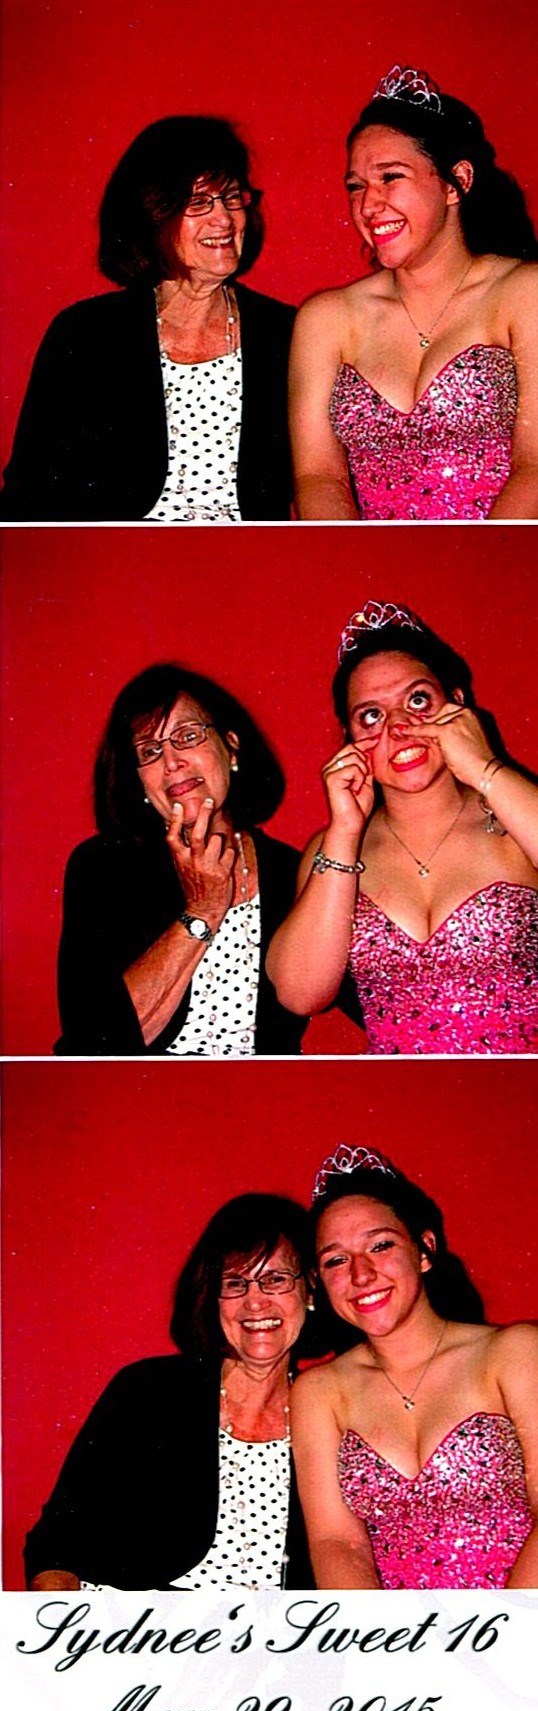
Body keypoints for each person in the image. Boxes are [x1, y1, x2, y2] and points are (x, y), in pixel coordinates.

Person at [266, 600, 538, 1054]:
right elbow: (300, 994)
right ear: (350, 740)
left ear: (457, 705)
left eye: (417, 700)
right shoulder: (333, 848)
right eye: (370, 715)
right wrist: (345, 832)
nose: (399, 728)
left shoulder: (516, 816)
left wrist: (483, 769)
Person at [1, 117, 294, 522]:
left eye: (230, 198)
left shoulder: (287, 333)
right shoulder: (85, 335)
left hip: (251, 564)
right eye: (198, 203)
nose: (224, 219)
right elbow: (29, 494)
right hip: (120, 565)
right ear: (153, 214)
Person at [25, 1193, 315, 1591]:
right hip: (130, 1640)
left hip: (271, 1648)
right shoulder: (148, 1392)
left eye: (276, 1279)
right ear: (212, 1297)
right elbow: (54, 1548)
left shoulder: (331, 1408)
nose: (254, 1302)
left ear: (311, 1290)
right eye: (234, 1282)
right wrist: (69, 1639)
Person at [290, 64, 538, 520]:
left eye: (391, 177)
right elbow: (318, 478)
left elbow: (536, 468)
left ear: (456, 182)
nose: (368, 204)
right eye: (356, 186)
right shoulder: (327, 317)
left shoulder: (524, 292)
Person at [291, 1144, 538, 1590]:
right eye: (336, 1260)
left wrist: (505, 1637)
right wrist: (378, 1648)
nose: (361, 1275)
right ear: (319, 1282)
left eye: (380, 1245)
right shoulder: (319, 1392)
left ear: (424, 1250)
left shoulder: (516, 1353)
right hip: (396, 1645)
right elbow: (336, 1543)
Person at [56, 663, 311, 1055]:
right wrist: (204, 909)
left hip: (261, 1102)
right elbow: (95, 1040)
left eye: (188, 736)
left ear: (232, 746)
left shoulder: (292, 872)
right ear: (139, 780)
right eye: (149, 751)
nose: (171, 761)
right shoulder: (101, 868)